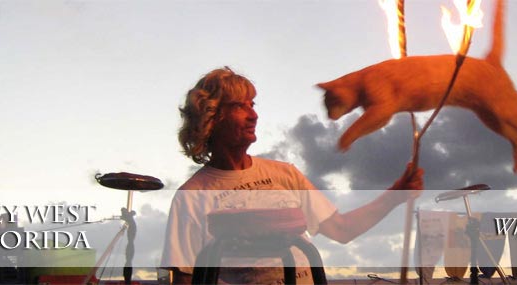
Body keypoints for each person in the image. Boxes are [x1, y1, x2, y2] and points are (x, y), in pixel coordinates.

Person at [160, 67, 424, 284]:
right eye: (239, 106)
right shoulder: (191, 196)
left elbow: (342, 230)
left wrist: (395, 195)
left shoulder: (284, 174)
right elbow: (185, 278)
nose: (254, 115)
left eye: (252, 104)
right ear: (212, 116)